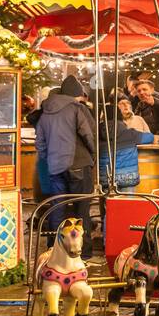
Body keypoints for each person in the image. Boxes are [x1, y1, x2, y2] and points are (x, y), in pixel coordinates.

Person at [34, 75, 98, 255]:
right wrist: (92, 154)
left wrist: (50, 158)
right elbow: (88, 134)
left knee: (57, 208)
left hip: (55, 167)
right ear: (77, 94)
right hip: (78, 164)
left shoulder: (45, 112)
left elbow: (39, 143)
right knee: (81, 209)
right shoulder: (77, 108)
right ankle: (82, 252)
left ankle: (55, 250)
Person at [98, 101, 152, 194]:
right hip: (128, 178)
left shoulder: (98, 133)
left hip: (107, 178)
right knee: (128, 206)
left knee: (109, 206)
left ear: (103, 117)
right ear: (120, 116)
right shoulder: (130, 133)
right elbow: (150, 137)